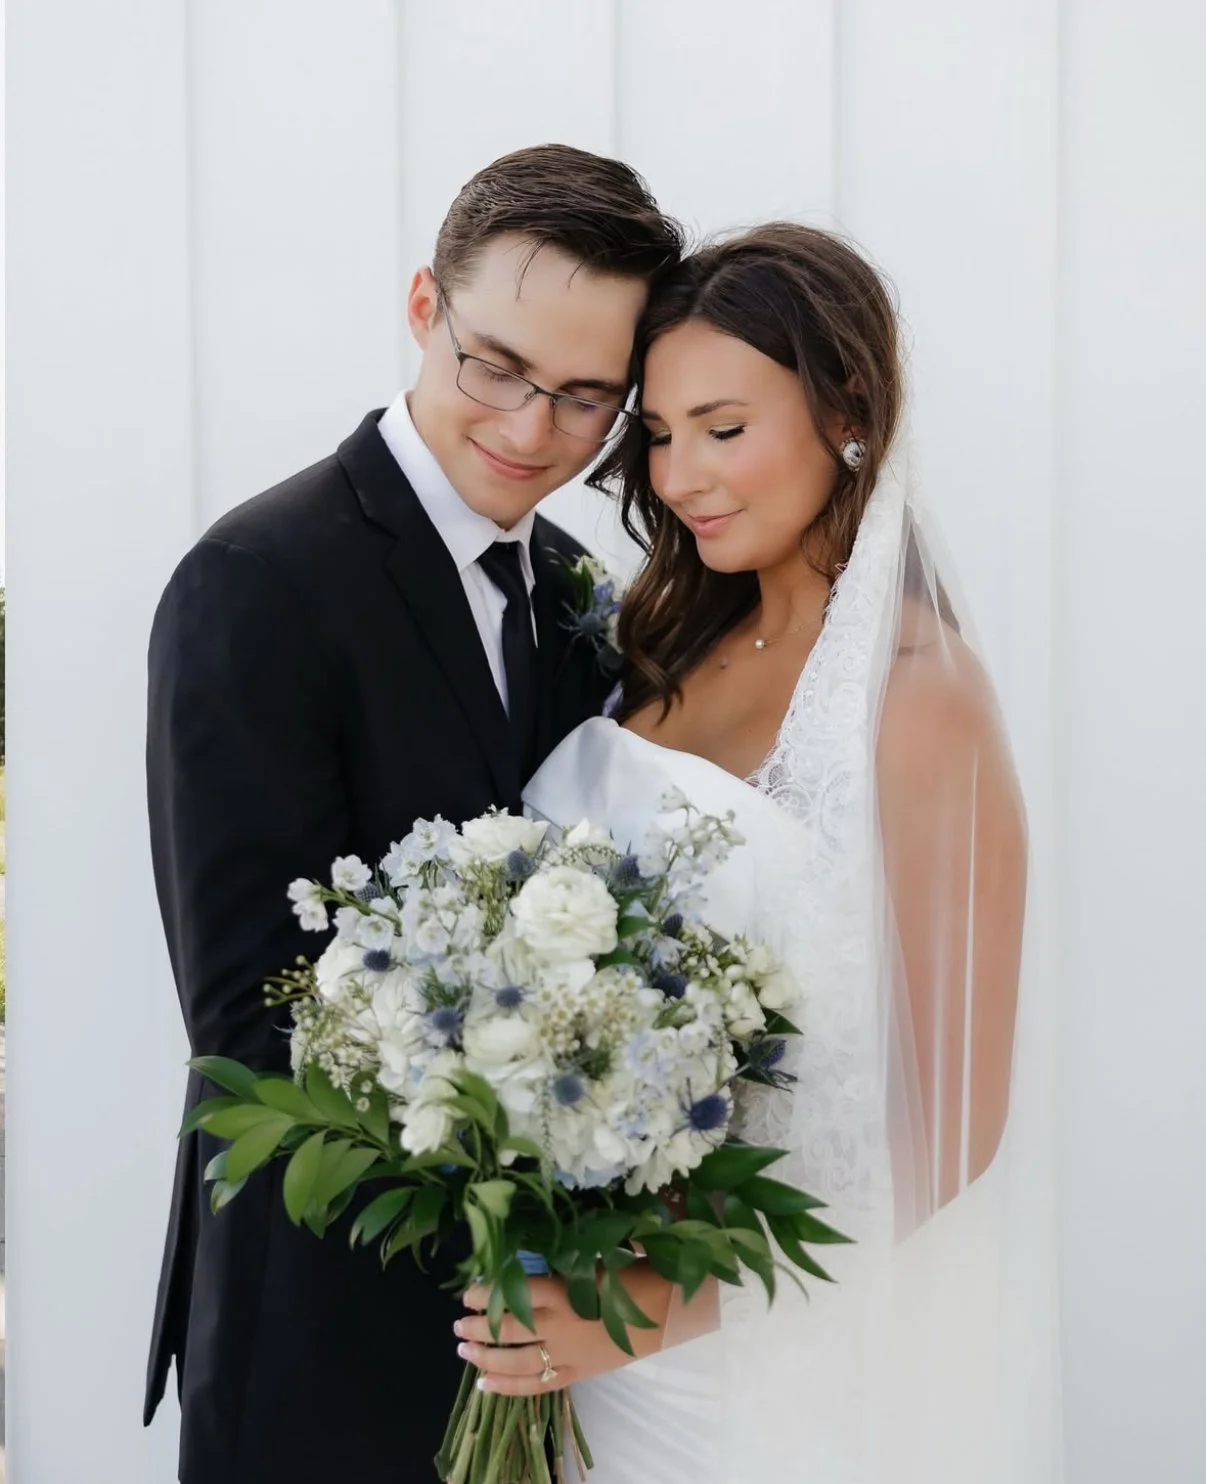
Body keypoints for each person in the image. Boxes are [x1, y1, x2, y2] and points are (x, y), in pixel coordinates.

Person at [457, 223, 1061, 1481]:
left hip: (746, 1347)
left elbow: (953, 1127)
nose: (680, 477)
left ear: (848, 411)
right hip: (585, 1334)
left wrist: (642, 1305)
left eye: (723, 428)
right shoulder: (660, 642)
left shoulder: (920, 699)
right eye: (661, 435)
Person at [143, 143, 683, 1484]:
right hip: (319, 1309)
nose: (526, 428)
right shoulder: (257, 582)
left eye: (582, 400)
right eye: (493, 367)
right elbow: (249, 1008)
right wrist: (505, 1113)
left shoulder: (568, 587)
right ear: (423, 308)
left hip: (539, 1324)